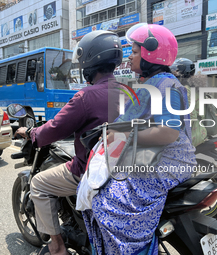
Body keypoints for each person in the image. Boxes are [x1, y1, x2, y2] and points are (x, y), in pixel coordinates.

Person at [82, 23, 196, 254]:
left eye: (134, 52)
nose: (129, 57)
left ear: (150, 53)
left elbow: (168, 132)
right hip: (153, 158)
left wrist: (124, 135)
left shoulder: (166, 85)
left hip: (167, 162)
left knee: (104, 203)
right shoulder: (154, 83)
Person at [15, 30, 122, 255]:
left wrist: (30, 132)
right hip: (124, 171)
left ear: (89, 64)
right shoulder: (131, 92)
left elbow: (51, 130)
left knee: (39, 184)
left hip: (90, 173)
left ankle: (56, 246)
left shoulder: (86, 96)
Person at [170, 58, 208, 147]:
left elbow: (191, 115)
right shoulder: (195, 88)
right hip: (201, 129)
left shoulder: (185, 89)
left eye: (176, 71)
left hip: (191, 133)